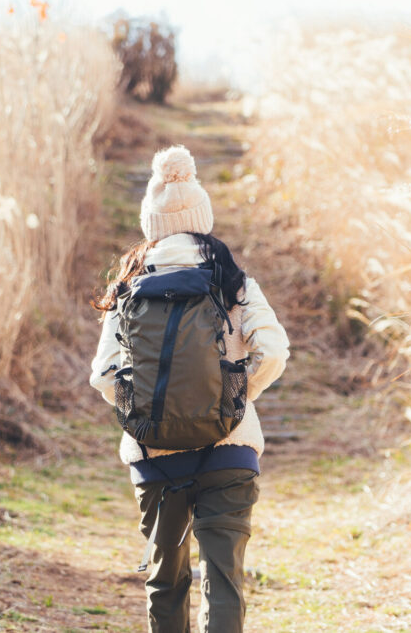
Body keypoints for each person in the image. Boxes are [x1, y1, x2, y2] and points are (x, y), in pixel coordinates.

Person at [89, 145, 290, 633]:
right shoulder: (233, 283)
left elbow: (102, 375)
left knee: (166, 581)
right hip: (229, 451)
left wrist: (147, 409)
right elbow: (275, 352)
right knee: (224, 581)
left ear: (149, 224)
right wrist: (232, 400)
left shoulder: (129, 289)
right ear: (203, 219)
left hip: (155, 455)